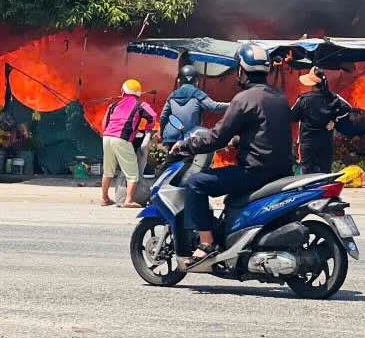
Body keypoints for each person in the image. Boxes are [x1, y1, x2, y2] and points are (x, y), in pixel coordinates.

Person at [171, 43, 295, 268]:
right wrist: (237, 141)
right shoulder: (279, 97)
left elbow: (216, 137)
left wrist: (186, 145)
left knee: (197, 183)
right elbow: (265, 131)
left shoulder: (243, 99)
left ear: (242, 70)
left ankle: (206, 244)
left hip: (254, 172)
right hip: (282, 171)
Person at [100, 79, 157, 208]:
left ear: (123, 91)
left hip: (107, 137)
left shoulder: (113, 105)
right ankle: (128, 200)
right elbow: (152, 117)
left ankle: (104, 198)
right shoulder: (140, 105)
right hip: (122, 139)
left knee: (108, 170)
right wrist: (148, 129)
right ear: (138, 93)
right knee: (132, 173)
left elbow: (104, 124)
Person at [159, 65, 228, 147]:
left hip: (170, 138)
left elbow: (163, 117)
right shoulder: (198, 94)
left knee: (171, 158)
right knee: (211, 138)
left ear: (179, 81)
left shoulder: (172, 96)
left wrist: (163, 135)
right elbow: (214, 107)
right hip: (189, 138)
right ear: (196, 81)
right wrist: (233, 104)